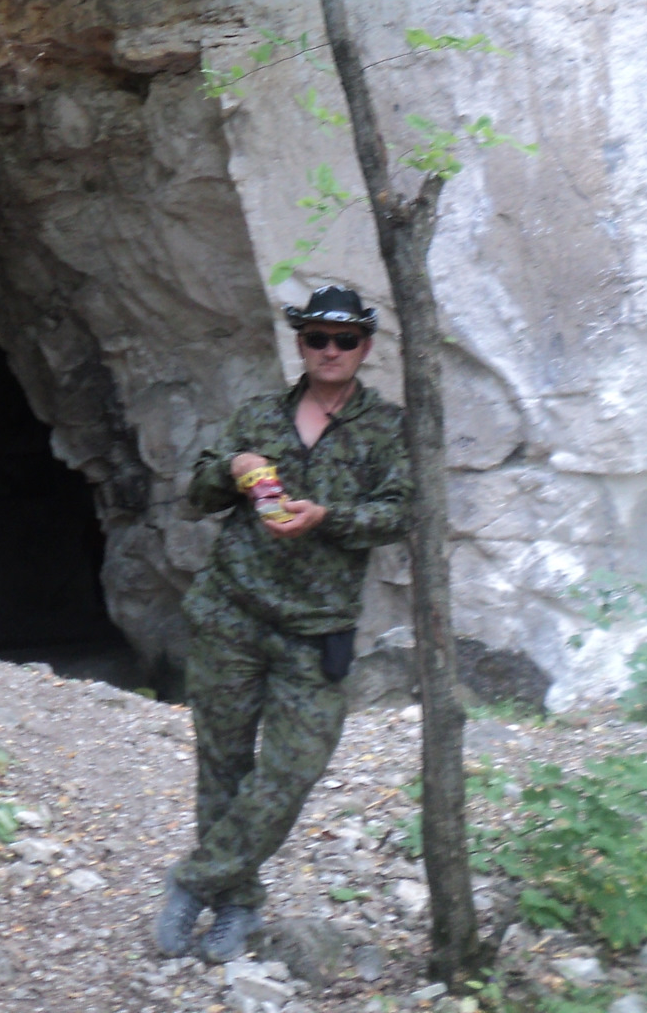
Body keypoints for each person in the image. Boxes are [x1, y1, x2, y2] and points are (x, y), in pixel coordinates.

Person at [157, 285, 410, 962]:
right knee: (224, 768)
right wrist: (235, 467)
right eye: (317, 338)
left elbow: (400, 512)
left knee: (294, 769)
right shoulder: (259, 414)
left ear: (365, 346)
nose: (330, 351)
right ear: (300, 342)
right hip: (231, 615)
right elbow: (198, 493)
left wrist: (331, 517)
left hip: (316, 628)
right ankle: (236, 905)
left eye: (345, 340)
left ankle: (195, 881)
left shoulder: (387, 427)